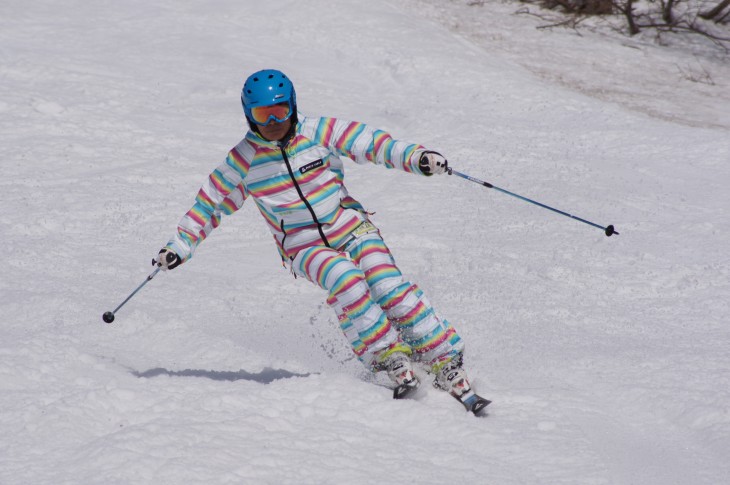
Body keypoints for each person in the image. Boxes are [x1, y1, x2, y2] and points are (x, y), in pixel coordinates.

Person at [156, 68, 476, 402]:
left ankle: (444, 356)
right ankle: (388, 357)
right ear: (248, 116)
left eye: (281, 111)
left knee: (386, 283)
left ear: (293, 106)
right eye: (262, 115)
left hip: (350, 226)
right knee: (346, 279)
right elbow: (210, 205)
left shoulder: (320, 132)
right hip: (302, 245)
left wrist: (418, 158)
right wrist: (179, 245)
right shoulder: (244, 160)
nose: (274, 122)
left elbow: (373, 144)